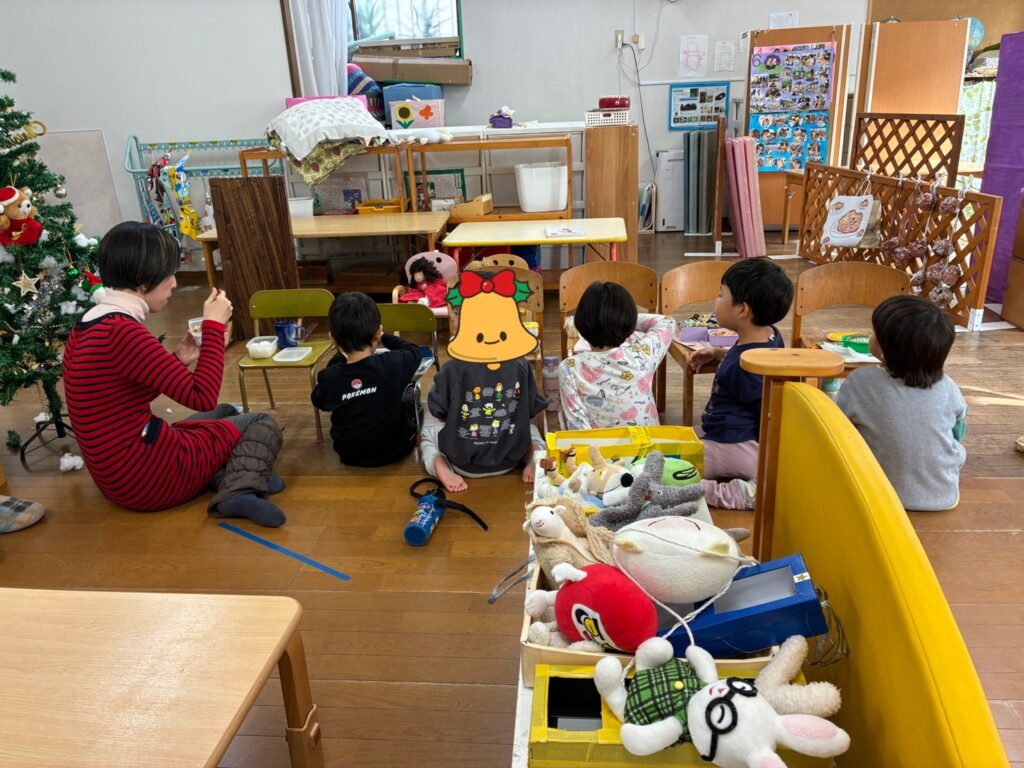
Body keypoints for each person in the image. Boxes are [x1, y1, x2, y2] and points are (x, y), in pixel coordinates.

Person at [62, 221, 286, 527]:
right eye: (169, 274)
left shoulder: (91, 322)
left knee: (227, 412)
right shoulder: (122, 331)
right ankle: (240, 488)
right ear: (142, 278)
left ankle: (232, 474)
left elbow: (122, 393)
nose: (174, 283)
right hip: (150, 480)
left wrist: (179, 359)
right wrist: (214, 328)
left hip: (117, 479)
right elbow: (202, 397)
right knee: (259, 422)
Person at [837, 295, 966, 511]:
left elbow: (839, 426)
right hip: (943, 493)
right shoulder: (947, 385)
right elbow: (958, 427)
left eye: (874, 332)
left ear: (886, 349)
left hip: (875, 494)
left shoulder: (861, 380)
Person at [689, 259, 794, 509]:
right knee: (681, 437)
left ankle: (724, 491)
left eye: (721, 294)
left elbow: (764, 405)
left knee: (668, 467)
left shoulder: (738, 367)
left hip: (731, 444)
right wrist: (718, 353)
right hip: (742, 440)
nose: (715, 300)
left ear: (742, 310)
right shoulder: (771, 335)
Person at [311, 292, 422, 466]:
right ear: (376, 332)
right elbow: (414, 352)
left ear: (333, 338)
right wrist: (384, 336)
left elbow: (320, 401)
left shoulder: (330, 376)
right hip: (395, 451)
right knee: (410, 395)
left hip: (349, 455)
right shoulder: (392, 363)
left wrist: (340, 357)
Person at [558, 281, 676, 429]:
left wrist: (602, 319)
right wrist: (622, 319)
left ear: (580, 322)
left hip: (600, 444)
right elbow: (667, 322)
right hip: (648, 442)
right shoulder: (642, 354)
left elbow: (577, 426)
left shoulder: (569, 368)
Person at [422, 356, 547, 493]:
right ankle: (535, 454)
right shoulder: (521, 363)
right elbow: (532, 408)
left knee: (427, 433)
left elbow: (438, 409)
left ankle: (438, 463)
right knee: (531, 428)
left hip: (462, 463)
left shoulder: (453, 366)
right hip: (510, 459)